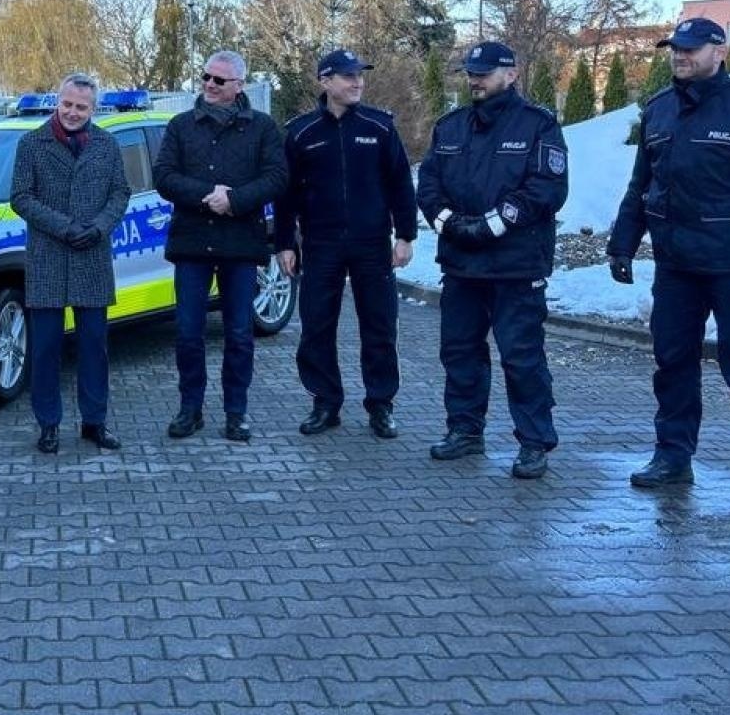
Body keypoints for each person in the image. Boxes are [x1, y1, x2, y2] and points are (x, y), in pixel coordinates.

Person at [607, 17, 730, 510]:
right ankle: (673, 457)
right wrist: (623, 242)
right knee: (672, 364)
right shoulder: (659, 111)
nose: (680, 55)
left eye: (692, 48)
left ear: (720, 52)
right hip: (676, 267)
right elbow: (642, 185)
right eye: (676, 47)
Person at [416, 41, 568, 480]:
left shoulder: (538, 125)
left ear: (511, 73)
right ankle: (465, 430)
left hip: (515, 265)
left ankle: (534, 441)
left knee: (521, 358)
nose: (475, 79)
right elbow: (428, 186)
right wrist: (448, 222)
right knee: (459, 351)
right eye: (470, 72)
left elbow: (547, 189)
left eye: (484, 72)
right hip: (462, 263)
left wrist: (493, 224)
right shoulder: (451, 127)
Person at [275, 49, 417, 440]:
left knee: (380, 325)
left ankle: (381, 404)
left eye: (359, 75)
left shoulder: (380, 126)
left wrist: (405, 235)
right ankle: (325, 402)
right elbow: (286, 195)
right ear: (325, 81)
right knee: (317, 327)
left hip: (372, 243)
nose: (357, 82)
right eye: (347, 76)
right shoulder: (301, 132)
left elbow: (401, 183)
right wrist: (285, 242)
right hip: (320, 244)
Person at [154, 50, 287, 442]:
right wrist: (208, 195)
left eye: (219, 80)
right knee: (188, 333)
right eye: (206, 77)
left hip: (240, 244)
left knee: (240, 333)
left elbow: (277, 177)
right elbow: (164, 176)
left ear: (238, 86)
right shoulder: (181, 126)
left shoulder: (262, 128)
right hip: (192, 243)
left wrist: (237, 200)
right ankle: (189, 408)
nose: (209, 84)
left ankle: (236, 412)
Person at [9, 73, 132, 455]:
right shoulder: (31, 143)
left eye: (81, 107)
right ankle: (48, 424)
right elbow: (21, 197)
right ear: (57, 102)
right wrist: (64, 227)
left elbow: (120, 192)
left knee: (94, 347)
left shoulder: (108, 145)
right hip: (47, 257)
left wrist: (99, 227)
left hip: (92, 257)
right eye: (67, 104)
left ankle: (95, 422)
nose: (73, 112)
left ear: (93, 108)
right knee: (45, 349)